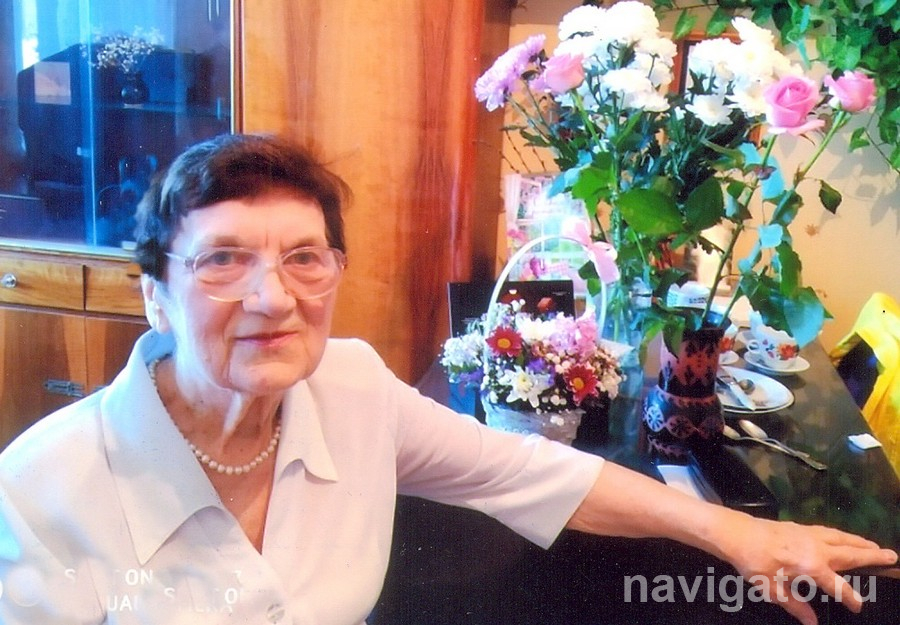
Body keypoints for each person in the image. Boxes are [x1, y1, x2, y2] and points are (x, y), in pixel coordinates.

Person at [0, 133, 894, 625]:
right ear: (155, 295)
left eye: (304, 257)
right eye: (223, 260)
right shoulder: (42, 493)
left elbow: (530, 472)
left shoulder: (350, 386)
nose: (273, 297)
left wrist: (734, 531)